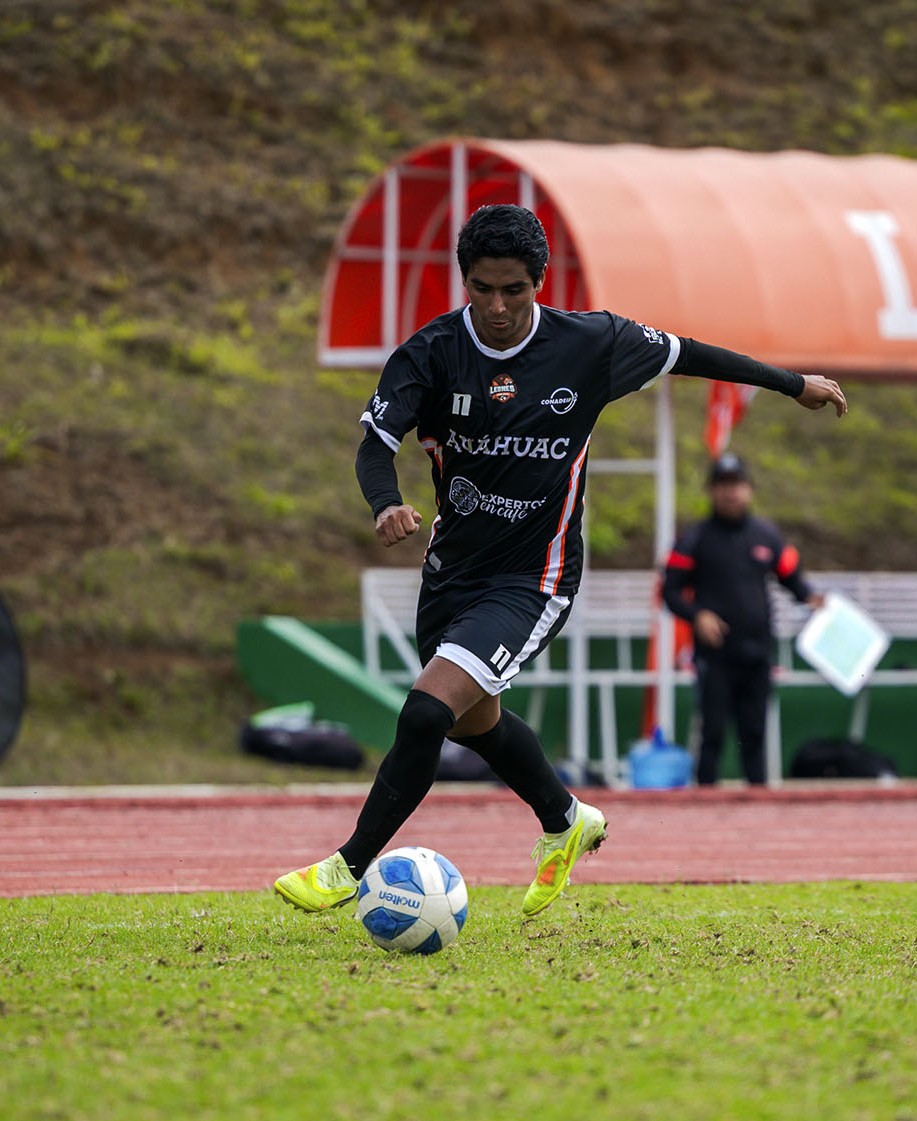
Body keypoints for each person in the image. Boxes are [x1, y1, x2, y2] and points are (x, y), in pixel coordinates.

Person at [273, 204, 847, 918]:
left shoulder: (591, 343)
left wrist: (792, 383)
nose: (497, 307)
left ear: (539, 283)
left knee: (425, 713)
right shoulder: (431, 353)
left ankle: (347, 868)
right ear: (464, 281)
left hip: (534, 579)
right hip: (451, 575)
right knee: (473, 724)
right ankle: (566, 818)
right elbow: (374, 446)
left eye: (513, 289)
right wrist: (385, 502)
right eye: (482, 289)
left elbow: (691, 354)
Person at [661, 453, 818, 786]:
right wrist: (698, 615)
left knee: (755, 733)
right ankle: (704, 804)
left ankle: (758, 803)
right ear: (711, 491)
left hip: (758, 652)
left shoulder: (767, 536)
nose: (730, 492)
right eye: (722, 485)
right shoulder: (694, 539)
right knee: (712, 732)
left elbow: (792, 579)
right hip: (715, 655)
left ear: (749, 489)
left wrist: (812, 599)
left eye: (736, 484)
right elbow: (670, 591)